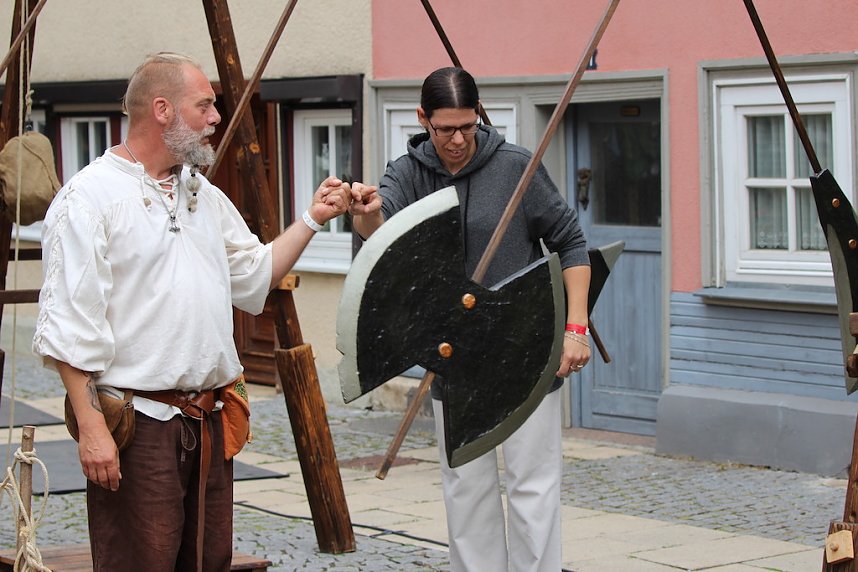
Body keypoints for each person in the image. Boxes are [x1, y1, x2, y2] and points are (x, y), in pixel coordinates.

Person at [32, 52, 353, 572]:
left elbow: (253, 274)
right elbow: (69, 327)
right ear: (162, 110)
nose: (215, 117)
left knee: (208, 564)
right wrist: (92, 430)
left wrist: (314, 219)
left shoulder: (198, 190)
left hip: (207, 423)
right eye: (204, 105)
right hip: (138, 428)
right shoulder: (88, 199)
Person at [350, 67, 591, 572]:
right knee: (467, 490)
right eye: (445, 129)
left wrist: (575, 329)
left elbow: (571, 243)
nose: (458, 139)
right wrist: (366, 211)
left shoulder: (516, 167)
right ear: (424, 119)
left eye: (467, 126)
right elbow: (381, 233)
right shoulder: (408, 173)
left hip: (525, 349)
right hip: (454, 356)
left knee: (533, 486)